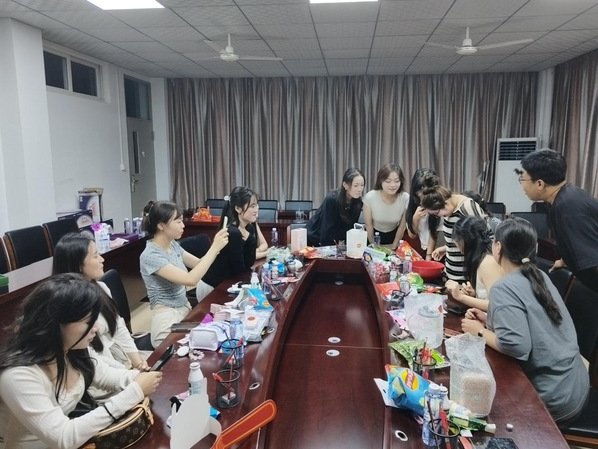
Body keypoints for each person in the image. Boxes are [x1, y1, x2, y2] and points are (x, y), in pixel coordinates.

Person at [0, 273, 162, 448]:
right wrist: (134, 391)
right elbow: (63, 437)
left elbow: (106, 375)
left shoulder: (72, 350)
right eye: (88, 321)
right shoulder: (18, 376)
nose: (96, 328)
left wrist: (139, 378)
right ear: (55, 324)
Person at [461, 218, 589, 423]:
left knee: (476, 406)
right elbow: (534, 321)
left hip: (553, 398)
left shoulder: (503, 287)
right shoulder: (539, 275)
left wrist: (479, 330)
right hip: (575, 386)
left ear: (498, 247)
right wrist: (489, 320)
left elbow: (515, 345)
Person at [52, 232, 148, 371]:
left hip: (120, 358)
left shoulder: (101, 287)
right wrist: (128, 373)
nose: (102, 259)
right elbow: (90, 357)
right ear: (78, 264)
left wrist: (139, 363)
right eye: (95, 256)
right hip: (99, 369)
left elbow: (119, 327)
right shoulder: (69, 303)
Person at [140, 201, 228, 347]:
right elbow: (190, 279)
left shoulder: (172, 244)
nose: (183, 225)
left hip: (184, 310)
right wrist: (214, 248)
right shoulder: (150, 255)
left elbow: (198, 264)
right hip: (166, 320)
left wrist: (217, 248)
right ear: (161, 225)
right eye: (178, 221)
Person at [517, 148, 598, 293]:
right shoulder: (566, 197)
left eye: (522, 179)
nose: (521, 185)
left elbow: (593, 259)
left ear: (540, 184)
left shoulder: (568, 207)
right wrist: (565, 260)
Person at [420, 175, 491, 281]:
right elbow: (461, 239)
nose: (438, 216)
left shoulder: (467, 207)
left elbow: (484, 239)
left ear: (445, 203)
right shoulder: (449, 210)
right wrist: (446, 248)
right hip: (450, 273)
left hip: (465, 276)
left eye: (436, 213)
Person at [199, 187, 264, 297]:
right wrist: (251, 240)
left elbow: (249, 263)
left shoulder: (249, 228)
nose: (256, 209)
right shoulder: (232, 232)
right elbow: (239, 269)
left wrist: (250, 238)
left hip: (227, 283)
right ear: (238, 208)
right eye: (252, 206)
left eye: (256, 205)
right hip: (212, 287)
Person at [445, 216, 503, 311]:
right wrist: (475, 294)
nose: (456, 245)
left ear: (463, 241)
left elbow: (496, 305)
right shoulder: (481, 258)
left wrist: (461, 297)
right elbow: (488, 296)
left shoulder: (488, 263)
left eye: (457, 241)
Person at [306, 168, 365, 246]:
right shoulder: (332, 199)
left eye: (362, 185)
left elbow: (350, 230)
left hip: (334, 243)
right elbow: (326, 230)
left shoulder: (358, 202)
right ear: (345, 185)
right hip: (314, 238)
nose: (360, 189)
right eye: (356, 185)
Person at [362, 163, 409, 248]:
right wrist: (374, 245)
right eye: (388, 181)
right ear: (381, 181)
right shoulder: (369, 197)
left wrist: (394, 246)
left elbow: (402, 227)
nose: (393, 185)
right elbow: (369, 225)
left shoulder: (405, 198)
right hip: (372, 236)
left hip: (394, 237)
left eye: (397, 181)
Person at [405, 168, 441, 260]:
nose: (422, 193)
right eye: (420, 188)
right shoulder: (411, 202)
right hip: (424, 248)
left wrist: (428, 256)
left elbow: (434, 232)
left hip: (439, 250)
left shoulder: (438, 203)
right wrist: (415, 218)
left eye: (425, 188)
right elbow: (412, 235)